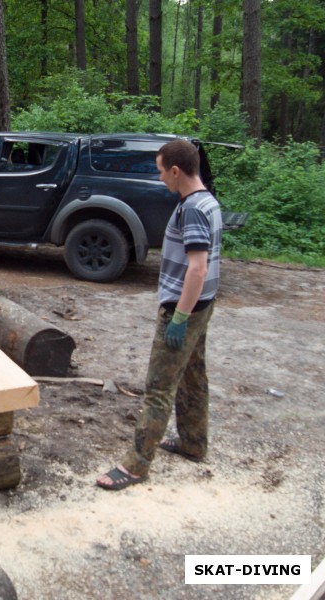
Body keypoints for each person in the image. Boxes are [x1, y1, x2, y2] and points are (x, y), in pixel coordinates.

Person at [96, 139, 222, 491]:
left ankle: (136, 465)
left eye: (161, 171)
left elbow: (198, 268)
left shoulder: (193, 208)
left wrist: (179, 318)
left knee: (158, 389)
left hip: (184, 309)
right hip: (203, 305)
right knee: (193, 374)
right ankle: (193, 443)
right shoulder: (208, 200)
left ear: (176, 171)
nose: (161, 177)